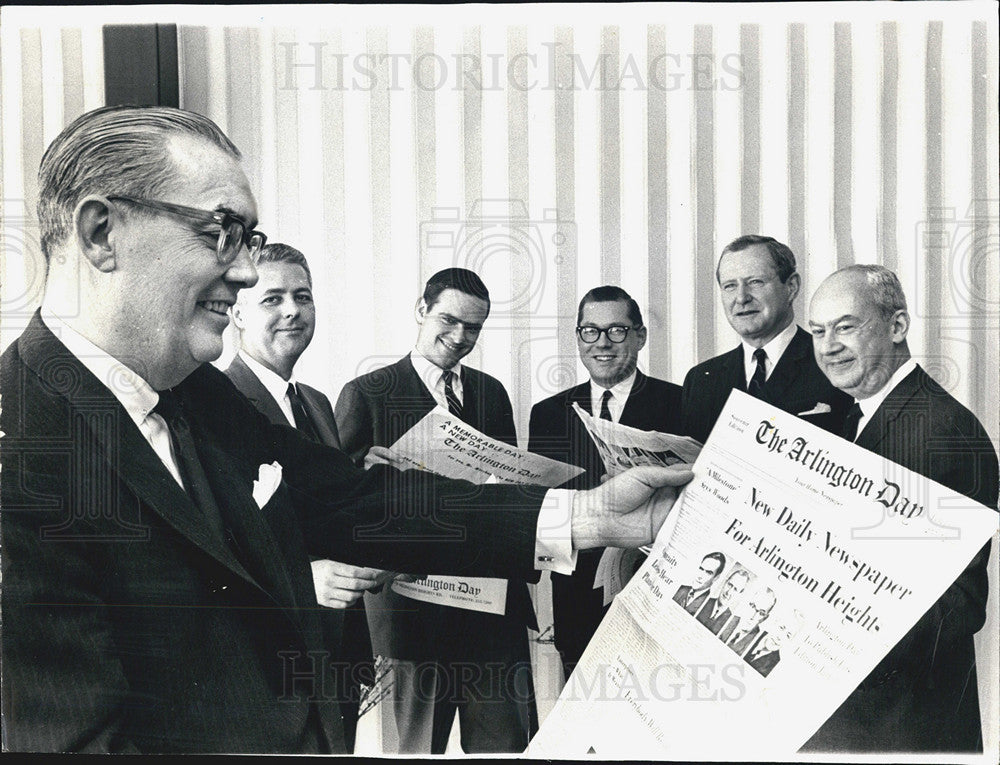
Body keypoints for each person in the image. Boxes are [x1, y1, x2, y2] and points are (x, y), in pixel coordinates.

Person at [0, 105, 692, 754]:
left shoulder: (193, 392)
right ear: (101, 233)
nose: (244, 269)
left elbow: (358, 500)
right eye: (221, 231)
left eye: (251, 238)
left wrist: (592, 512)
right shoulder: (20, 450)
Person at [334, 268, 535, 754]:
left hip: (490, 611)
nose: (460, 337)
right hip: (411, 613)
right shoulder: (367, 392)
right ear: (421, 310)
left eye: (474, 328)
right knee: (416, 752)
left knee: (506, 748)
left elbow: (506, 486)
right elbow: (333, 503)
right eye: (449, 320)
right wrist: (361, 471)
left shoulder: (491, 392)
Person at [802, 265, 999, 753]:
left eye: (846, 326)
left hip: (899, 726)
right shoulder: (858, 414)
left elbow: (957, 609)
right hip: (856, 717)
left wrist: (824, 637)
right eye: (818, 332)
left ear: (897, 326)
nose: (828, 346)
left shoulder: (941, 430)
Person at [225, 242, 371, 751]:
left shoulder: (317, 403)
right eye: (273, 298)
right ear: (237, 311)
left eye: (302, 296)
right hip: (267, 663)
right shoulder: (212, 404)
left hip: (336, 657)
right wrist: (300, 576)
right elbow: (218, 538)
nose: (292, 310)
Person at [526, 286, 683, 678]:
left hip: (658, 603)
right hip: (576, 607)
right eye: (590, 331)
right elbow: (540, 509)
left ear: (640, 336)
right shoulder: (547, 414)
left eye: (616, 330)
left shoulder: (682, 403)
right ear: (578, 337)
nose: (602, 343)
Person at [680, 235, 851, 444]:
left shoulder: (833, 364)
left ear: (791, 287)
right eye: (730, 286)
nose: (741, 298)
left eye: (755, 282)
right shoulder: (700, 381)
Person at [719, 587, 776, 656]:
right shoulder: (724, 617)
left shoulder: (757, 644)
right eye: (752, 606)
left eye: (761, 613)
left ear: (765, 618)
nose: (753, 616)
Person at [696, 567, 750, 634]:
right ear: (725, 582)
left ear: (739, 594)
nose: (729, 592)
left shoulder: (731, 622)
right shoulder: (702, 600)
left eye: (735, 589)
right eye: (730, 585)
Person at [673, 552, 726, 616]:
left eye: (708, 573)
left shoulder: (708, 606)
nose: (700, 576)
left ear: (716, 578)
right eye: (701, 569)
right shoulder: (681, 589)